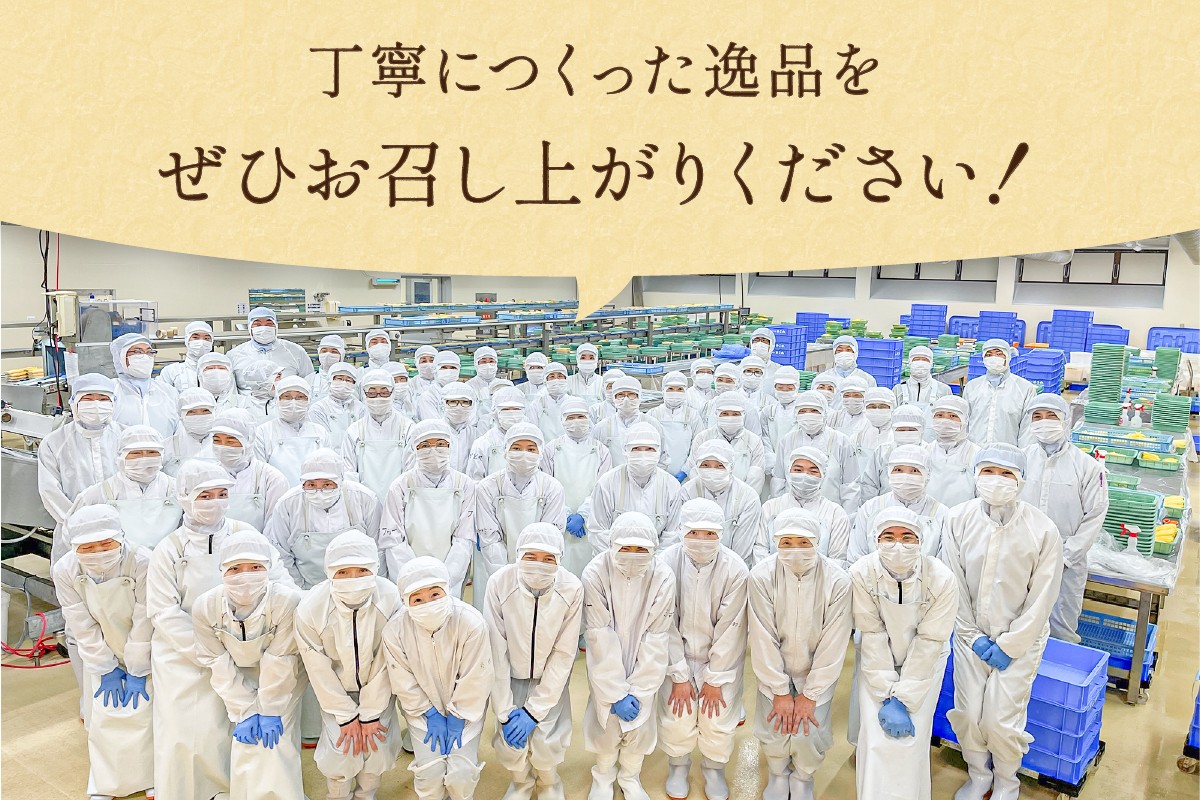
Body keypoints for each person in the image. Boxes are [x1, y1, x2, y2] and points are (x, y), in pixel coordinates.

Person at [145, 460, 293, 800]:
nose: (214, 502)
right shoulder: (169, 549)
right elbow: (163, 611)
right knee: (189, 729)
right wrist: (208, 650)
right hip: (185, 651)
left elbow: (279, 580)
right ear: (185, 497)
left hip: (248, 641)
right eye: (204, 495)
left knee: (253, 727)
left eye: (221, 493)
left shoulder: (246, 534)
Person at [943, 445, 1064, 800]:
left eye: (1006, 473)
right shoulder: (958, 519)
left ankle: (1008, 782)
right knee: (968, 714)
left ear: (1021, 480)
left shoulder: (1043, 530)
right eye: (988, 471)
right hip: (970, 638)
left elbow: (1042, 597)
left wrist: (1010, 645)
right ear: (975, 475)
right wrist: (971, 635)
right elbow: (952, 583)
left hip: (1021, 643)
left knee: (1000, 720)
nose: (996, 480)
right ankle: (979, 775)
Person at [850, 508, 957, 800]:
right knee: (875, 740)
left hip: (926, 665)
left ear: (920, 541)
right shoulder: (862, 572)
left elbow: (930, 640)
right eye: (889, 536)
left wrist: (903, 699)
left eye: (907, 537)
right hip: (876, 662)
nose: (898, 545)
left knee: (912, 742)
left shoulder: (941, 578)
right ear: (876, 540)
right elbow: (872, 633)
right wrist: (885, 690)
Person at [192, 530, 305, 800]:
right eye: (235, 568)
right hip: (235, 673)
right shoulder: (205, 606)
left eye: (255, 567)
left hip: (283, 676)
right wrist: (243, 708)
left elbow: (281, 659)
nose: (245, 576)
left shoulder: (287, 601)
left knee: (277, 739)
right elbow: (216, 660)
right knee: (246, 739)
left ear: (268, 567)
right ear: (222, 571)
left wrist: (269, 709)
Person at [748, 509, 852, 800]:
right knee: (775, 726)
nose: (795, 550)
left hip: (817, 673)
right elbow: (762, 636)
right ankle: (778, 773)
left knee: (809, 731)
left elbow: (834, 642)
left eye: (803, 542)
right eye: (786, 542)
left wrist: (811, 693)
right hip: (774, 670)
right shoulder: (761, 576)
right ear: (776, 543)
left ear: (817, 542)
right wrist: (780, 690)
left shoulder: (838, 581)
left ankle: (803, 777)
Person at [53, 505, 155, 800]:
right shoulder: (65, 570)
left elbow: (145, 616)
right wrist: (105, 665)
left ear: (120, 537)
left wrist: (137, 666)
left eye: (106, 543)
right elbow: (80, 622)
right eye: (88, 547)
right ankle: (107, 783)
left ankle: (154, 777)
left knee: (149, 715)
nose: (98, 552)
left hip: (146, 645)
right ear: (74, 546)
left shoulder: (141, 560)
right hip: (100, 649)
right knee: (104, 716)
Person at [295, 531, 403, 800]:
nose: (353, 579)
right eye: (343, 572)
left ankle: (367, 795)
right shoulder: (311, 608)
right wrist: (345, 715)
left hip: (379, 690)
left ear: (375, 568)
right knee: (341, 750)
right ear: (329, 571)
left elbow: (387, 661)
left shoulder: (390, 598)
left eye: (362, 570)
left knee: (375, 748)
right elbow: (318, 669)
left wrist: (371, 712)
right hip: (335, 694)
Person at [658, 499, 750, 800]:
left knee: (717, 716)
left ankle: (714, 769)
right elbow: (665, 622)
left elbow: (732, 629)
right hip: (676, 656)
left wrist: (715, 678)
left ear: (720, 534)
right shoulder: (665, 563)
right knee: (677, 714)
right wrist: (679, 674)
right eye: (694, 533)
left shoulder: (735, 568)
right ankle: (678, 766)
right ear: (681, 531)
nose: (701, 540)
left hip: (721, 660)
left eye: (710, 533)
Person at [484, 524, 584, 800]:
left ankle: (549, 783)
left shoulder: (571, 588)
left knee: (548, 739)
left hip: (549, 678)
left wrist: (534, 710)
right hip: (508, 676)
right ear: (518, 555)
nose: (539, 564)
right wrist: (504, 710)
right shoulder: (500, 583)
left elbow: (564, 653)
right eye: (531, 556)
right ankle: (520, 783)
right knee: (510, 740)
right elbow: (495, 649)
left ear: (559, 559)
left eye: (548, 558)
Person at [582, 512, 676, 800]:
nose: (633, 555)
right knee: (605, 721)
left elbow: (657, 636)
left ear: (653, 549)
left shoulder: (662, 576)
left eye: (641, 549)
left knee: (641, 722)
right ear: (612, 545)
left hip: (644, 666)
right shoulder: (595, 572)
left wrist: (639, 689)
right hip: (605, 666)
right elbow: (598, 634)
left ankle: (630, 777)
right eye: (626, 547)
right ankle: (603, 777)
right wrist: (615, 691)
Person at [382, 557, 494, 800]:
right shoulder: (395, 630)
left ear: (447, 589)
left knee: (461, 774)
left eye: (435, 594)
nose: (428, 604)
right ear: (405, 601)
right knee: (429, 775)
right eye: (417, 599)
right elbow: (402, 678)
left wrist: (457, 716)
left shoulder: (470, 622)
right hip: (422, 713)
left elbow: (476, 676)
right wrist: (429, 713)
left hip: (466, 712)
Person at [1020, 394, 1108, 642]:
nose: (1044, 422)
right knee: (1019, 622)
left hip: (1067, 561)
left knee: (1062, 626)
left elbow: (1095, 515)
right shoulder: (1021, 460)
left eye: (1051, 416)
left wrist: (1067, 556)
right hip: (1021, 555)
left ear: (1065, 420)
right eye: (1037, 417)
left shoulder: (1087, 466)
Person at [379, 419, 477, 593]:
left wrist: (446, 577)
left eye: (440, 444)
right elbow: (394, 540)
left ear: (450, 446)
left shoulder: (465, 484)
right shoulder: (400, 486)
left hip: (449, 577)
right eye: (424, 445)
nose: (433, 451)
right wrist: (414, 577)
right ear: (414, 449)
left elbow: (464, 538)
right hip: (409, 574)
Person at [475, 423, 567, 610]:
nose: (524, 454)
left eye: (531, 449)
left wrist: (531, 575)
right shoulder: (487, 487)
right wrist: (507, 580)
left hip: (539, 570)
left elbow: (549, 538)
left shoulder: (552, 488)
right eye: (516, 448)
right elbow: (490, 539)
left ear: (540, 453)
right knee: (497, 616)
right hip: (496, 569)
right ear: (505, 451)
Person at [266, 447, 384, 588]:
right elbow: (281, 555)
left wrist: (370, 587)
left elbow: (378, 550)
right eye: (311, 485)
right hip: (306, 587)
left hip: (359, 586)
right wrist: (299, 591)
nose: (319, 492)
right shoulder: (287, 505)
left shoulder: (365, 499)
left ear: (340, 481)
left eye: (327, 485)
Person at [40, 374, 124, 566]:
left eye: (103, 399)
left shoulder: (125, 436)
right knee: (74, 578)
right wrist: (78, 524)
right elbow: (50, 491)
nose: (96, 405)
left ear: (113, 403)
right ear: (74, 403)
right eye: (88, 398)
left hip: (123, 530)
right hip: (74, 533)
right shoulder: (54, 442)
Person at [66, 424, 181, 554]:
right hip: (116, 564)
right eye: (136, 453)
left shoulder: (177, 489)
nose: (144, 458)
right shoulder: (98, 494)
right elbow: (71, 533)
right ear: (121, 456)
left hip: (167, 561)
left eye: (152, 452)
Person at [542, 398, 613, 578]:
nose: (576, 422)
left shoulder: (601, 450)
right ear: (562, 420)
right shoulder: (551, 449)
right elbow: (546, 486)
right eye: (570, 417)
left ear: (589, 419)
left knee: (589, 575)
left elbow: (602, 489)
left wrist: (583, 515)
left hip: (591, 521)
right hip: (558, 520)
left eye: (581, 416)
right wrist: (565, 515)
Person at [587, 424, 685, 554]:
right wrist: (620, 559)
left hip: (657, 562)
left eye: (649, 449)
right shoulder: (607, 483)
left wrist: (651, 561)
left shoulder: (671, 486)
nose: (643, 455)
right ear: (625, 451)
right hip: (613, 560)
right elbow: (597, 532)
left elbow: (673, 535)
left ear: (659, 452)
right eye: (636, 449)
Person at [850, 444, 948, 563]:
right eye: (898, 470)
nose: (905, 477)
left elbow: (944, 563)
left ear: (927, 475)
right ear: (889, 473)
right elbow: (856, 557)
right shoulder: (870, 508)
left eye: (914, 470)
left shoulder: (941, 513)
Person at [760, 447, 852, 568]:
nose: (805, 476)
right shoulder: (770, 508)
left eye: (813, 471)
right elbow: (760, 550)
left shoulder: (836, 513)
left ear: (823, 475)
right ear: (789, 472)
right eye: (798, 470)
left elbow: (837, 560)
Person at [681, 439, 765, 566]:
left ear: (731, 467)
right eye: (705, 465)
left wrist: (723, 571)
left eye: (720, 465)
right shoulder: (687, 492)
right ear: (697, 466)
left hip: (731, 568)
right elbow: (682, 536)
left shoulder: (748, 497)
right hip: (690, 565)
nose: (712, 470)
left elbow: (742, 549)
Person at [770, 392, 858, 507]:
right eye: (802, 411)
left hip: (829, 511)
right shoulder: (787, 440)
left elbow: (850, 484)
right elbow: (779, 480)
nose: (808, 415)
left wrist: (847, 514)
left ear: (824, 413)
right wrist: (778, 510)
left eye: (814, 411)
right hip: (791, 510)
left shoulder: (841, 441)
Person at [208, 409, 290, 532]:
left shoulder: (271, 478)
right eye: (217, 441)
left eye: (230, 441)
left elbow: (275, 528)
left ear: (249, 441)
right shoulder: (207, 476)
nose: (222, 447)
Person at [342, 368, 413, 500]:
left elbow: (411, 473)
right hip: (364, 502)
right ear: (364, 395)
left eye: (384, 393)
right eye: (372, 393)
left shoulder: (408, 428)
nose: (378, 398)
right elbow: (349, 475)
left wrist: (400, 503)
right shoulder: (354, 431)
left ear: (392, 393)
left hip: (401, 500)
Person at [254, 376, 331, 485]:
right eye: (287, 397)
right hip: (277, 493)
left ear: (309, 400)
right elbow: (260, 476)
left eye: (300, 397)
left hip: (315, 493)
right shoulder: (263, 432)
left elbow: (329, 470)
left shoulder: (320, 432)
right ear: (277, 400)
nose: (293, 402)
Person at [852, 404, 928, 512]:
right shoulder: (882, 451)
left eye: (912, 429)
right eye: (901, 429)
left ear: (922, 429)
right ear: (893, 428)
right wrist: (871, 511)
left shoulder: (929, 452)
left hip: (922, 510)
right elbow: (870, 485)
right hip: (885, 509)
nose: (906, 433)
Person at [962, 338, 1036, 446]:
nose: (993, 358)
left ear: (1008, 357)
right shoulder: (972, 387)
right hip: (975, 452)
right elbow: (964, 423)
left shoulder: (1025, 388)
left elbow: (1027, 430)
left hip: (1008, 453)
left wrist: (1022, 453)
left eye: (999, 354)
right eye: (989, 355)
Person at [692, 393, 769, 495]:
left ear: (743, 415)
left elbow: (756, 477)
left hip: (742, 500)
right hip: (706, 498)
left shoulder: (754, 441)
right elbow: (695, 472)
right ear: (716, 414)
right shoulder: (703, 438)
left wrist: (741, 500)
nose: (730, 418)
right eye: (725, 413)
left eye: (735, 414)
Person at [109, 332, 180, 437]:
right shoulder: (110, 391)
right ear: (121, 357)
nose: (145, 357)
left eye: (149, 352)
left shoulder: (168, 392)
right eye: (137, 352)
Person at [227, 306, 314, 389]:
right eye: (258, 324)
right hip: (247, 400)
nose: (264, 329)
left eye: (269, 324)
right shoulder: (234, 355)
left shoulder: (296, 352)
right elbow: (229, 389)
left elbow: (310, 383)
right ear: (250, 328)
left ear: (276, 327)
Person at [593, 377, 668, 468]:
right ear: (614, 398)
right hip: (612, 476)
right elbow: (595, 460)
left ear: (639, 397)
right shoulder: (602, 427)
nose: (626, 399)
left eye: (631, 394)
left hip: (646, 476)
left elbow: (662, 458)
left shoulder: (652, 424)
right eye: (621, 395)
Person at [467, 386, 532, 480]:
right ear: (495, 412)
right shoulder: (483, 443)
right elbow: (475, 480)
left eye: (516, 409)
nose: (511, 414)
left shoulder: (533, 441)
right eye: (505, 409)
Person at [926, 396, 981, 507]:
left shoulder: (977, 454)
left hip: (964, 516)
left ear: (965, 420)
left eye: (953, 416)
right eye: (939, 415)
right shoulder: (924, 452)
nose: (945, 421)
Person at [648, 371, 703, 481]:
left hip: (686, 476)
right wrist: (656, 470)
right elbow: (647, 446)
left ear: (685, 391)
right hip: (656, 474)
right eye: (671, 389)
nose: (675, 393)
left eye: (679, 389)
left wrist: (686, 470)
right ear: (663, 390)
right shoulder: (653, 414)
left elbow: (698, 445)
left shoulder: (692, 415)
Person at [162, 387, 217, 475]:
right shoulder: (167, 447)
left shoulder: (225, 445)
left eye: (205, 410)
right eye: (192, 412)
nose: (199, 416)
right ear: (181, 415)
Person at [310, 363, 365, 449]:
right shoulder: (318, 408)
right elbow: (321, 440)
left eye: (348, 380)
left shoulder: (360, 408)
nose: (344, 383)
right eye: (339, 379)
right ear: (330, 380)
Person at [812, 335, 878, 401]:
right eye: (839, 350)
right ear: (834, 353)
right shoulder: (821, 378)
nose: (844, 353)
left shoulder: (868, 379)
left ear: (855, 353)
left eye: (848, 350)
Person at [700, 365, 762, 433]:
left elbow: (755, 434)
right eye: (720, 380)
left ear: (737, 383)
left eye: (729, 381)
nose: (723, 384)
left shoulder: (747, 407)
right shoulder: (708, 405)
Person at [157, 320, 215, 391]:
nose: (201, 342)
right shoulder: (171, 371)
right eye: (195, 337)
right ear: (187, 340)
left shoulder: (220, 370)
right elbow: (162, 395)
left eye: (206, 338)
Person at [759, 367, 803, 454]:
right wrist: (771, 458)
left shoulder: (802, 411)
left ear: (797, 387)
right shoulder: (768, 411)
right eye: (780, 388)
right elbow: (765, 438)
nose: (784, 391)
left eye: (789, 388)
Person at [893, 346, 950, 411]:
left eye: (925, 359)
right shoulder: (898, 389)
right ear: (909, 363)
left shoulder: (944, 390)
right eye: (916, 359)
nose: (920, 363)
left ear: (931, 364)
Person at [440, 383, 480, 473]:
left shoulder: (476, 435)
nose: (459, 407)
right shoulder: (435, 431)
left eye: (465, 402)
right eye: (453, 402)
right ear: (443, 403)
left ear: (472, 405)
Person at [529, 362, 572, 441]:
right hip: (544, 446)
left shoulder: (572, 402)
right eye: (552, 377)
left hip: (568, 447)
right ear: (545, 380)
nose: (556, 380)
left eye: (560, 376)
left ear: (566, 379)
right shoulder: (537, 403)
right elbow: (533, 431)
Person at [417, 351, 465, 420]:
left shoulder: (465, 393)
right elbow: (433, 423)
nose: (448, 371)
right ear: (435, 370)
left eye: (453, 367)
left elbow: (471, 419)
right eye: (443, 367)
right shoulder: (428, 397)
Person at [855, 387, 895, 455]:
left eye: (882, 407)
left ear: (892, 408)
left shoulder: (898, 432)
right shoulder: (860, 431)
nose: (877, 410)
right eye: (872, 407)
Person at [310, 334, 348, 400]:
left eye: (334, 351)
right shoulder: (310, 379)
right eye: (324, 351)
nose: (328, 354)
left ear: (341, 355)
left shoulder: (349, 380)